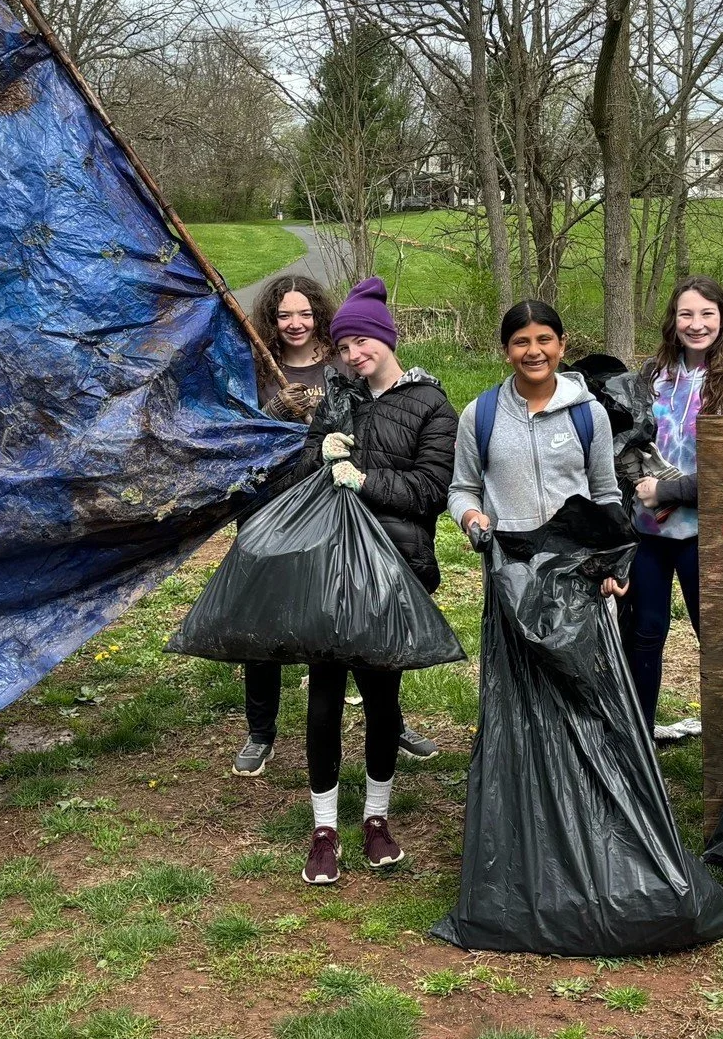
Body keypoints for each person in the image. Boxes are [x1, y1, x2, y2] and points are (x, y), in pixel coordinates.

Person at [231, 275, 439, 777]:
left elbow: (381, 415)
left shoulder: (342, 364)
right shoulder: (256, 366)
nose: (295, 323)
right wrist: (275, 410)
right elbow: (233, 431)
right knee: (267, 618)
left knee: (359, 619)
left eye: (304, 313)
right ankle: (261, 731)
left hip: (343, 509)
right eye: (283, 315)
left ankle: (390, 718)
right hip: (273, 501)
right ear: (271, 321)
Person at [292, 276, 456, 885]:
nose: (355, 355)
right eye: (344, 347)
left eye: (363, 342)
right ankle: (325, 827)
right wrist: (321, 454)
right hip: (332, 567)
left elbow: (432, 491)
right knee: (324, 699)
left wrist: (363, 478)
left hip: (394, 569)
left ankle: (378, 819)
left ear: (387, 340)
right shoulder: (339, 400)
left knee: (383, 700)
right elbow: (304, 474)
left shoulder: (432, 406)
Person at [624, 276, 723, 730]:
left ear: (722, 318)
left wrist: (667, 490)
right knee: (644, 633)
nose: (696, 324)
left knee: (717, 639)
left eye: (706, 313)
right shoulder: (651, 375)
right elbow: (625, 441)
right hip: (648, 531)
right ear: (673, 319)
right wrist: (637, 485)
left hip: (708, 533)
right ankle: (638, 740)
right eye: (687, 313)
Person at [449, 300, 628, 565]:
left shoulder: (589, 414)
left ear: (562, 344)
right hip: (511, 574)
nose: (534, 351)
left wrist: (611, 562)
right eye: (521, 342)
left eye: (544, 339)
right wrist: (471, 516)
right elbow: (462, 489)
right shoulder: (479, 415)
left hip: (580, 569)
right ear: (506, 351)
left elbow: (605, 495)